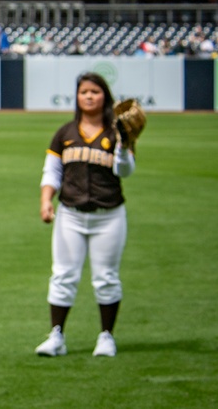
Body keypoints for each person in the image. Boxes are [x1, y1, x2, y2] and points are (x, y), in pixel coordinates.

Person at [35, 72, 136, 358]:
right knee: (63, 275)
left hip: (109, 215)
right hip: (71, 214)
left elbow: (125, 171)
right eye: (83, 92)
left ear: (105, 96)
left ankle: (106, 336)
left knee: (106, 278)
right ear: (77, 97)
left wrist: (125, 147)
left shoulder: (118, 131)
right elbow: (52, 171)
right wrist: (46, 201)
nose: (89, 96)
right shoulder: (65, 133)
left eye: (95, 91)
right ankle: (56, 336)